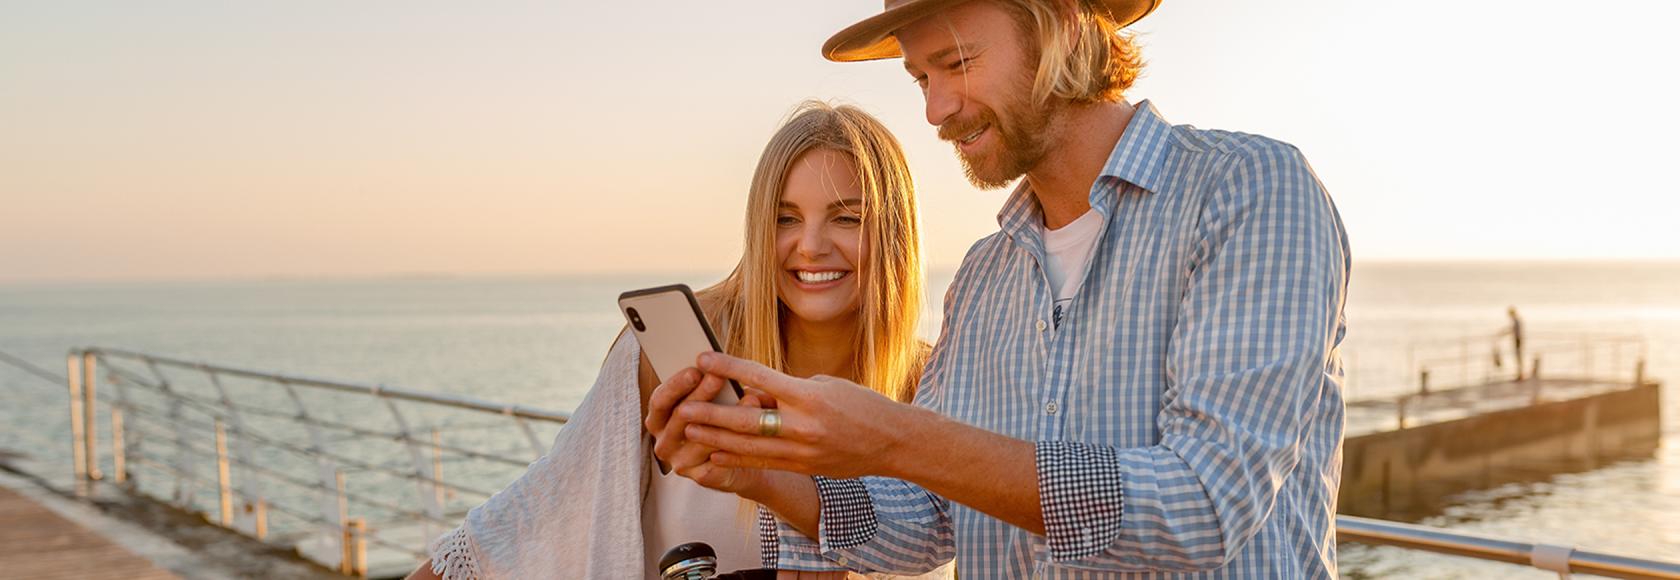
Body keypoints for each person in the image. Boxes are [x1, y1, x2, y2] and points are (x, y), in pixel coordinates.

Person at [646, 0, 1351, 577]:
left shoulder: (1250, 192)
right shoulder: (984, 277)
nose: (935, 110)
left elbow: (1203, 504)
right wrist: (759, 476)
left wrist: (894, 435)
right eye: (920, 78)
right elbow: (929, 520)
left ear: (1062, 25)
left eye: (957, 63)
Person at [406, 101, 933, 579]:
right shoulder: (682, 356)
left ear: (895, 234)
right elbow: (545, 510)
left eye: (847, 218)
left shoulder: (931, 383)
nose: (811, 246)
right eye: (785, 218)